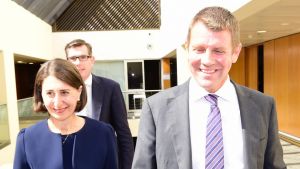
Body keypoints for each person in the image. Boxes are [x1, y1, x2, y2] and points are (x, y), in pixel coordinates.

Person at [132, 6, 286, 169]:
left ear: (235, 52)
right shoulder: (156, 108)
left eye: (218, 51)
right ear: (187, 49)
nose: (207, 60)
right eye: (199, 49)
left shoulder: (262, 106)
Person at [13, 58, 118, 169]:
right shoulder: (27, 138)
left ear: (79, 92)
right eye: (50, 93)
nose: (57, 103)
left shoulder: (103, 134)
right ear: (41, 95)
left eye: (64, 92)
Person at [65, 39, 134, 169]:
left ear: (92, 60)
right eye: (73, 58)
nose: (78, 62)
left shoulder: (110, 88)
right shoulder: (61, 90)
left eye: (83, 57)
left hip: (104, 162)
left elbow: (123, 133)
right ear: (67, 62)